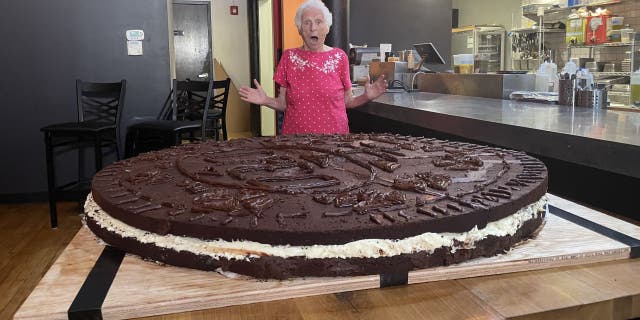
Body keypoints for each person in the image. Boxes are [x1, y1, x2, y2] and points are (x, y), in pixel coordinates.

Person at [239, 0, 387, 135]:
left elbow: (347, 101)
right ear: (299, 29)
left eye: (318, 22)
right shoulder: (288, 57)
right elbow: (283, 104)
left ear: (327, 28)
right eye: (307, 22)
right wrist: (265, 100)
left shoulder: (340, 57)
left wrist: (366, 96)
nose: (313, 28)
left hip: (334, 140)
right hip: (295, 140)